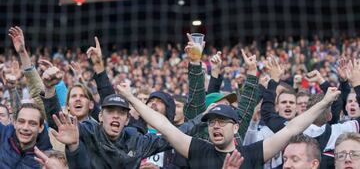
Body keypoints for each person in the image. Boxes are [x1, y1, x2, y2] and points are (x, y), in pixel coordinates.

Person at [117, 79, 341, 168]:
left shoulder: (251, 154)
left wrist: (325, 103)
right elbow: (164, 125)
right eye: (212, 122)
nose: (215, 126)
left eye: (222, 122)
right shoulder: (197, 149)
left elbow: (293, 128)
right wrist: (131, 98)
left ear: (236, 128)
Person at [0, 103, 52, 168]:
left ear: (40, 128)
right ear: (14, 123)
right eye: (21, 121)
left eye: (32, 123)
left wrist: (69, 144)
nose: (25, 127)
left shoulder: (47, 158)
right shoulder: (3, 135)